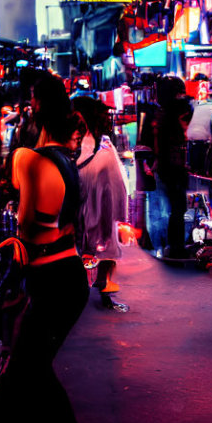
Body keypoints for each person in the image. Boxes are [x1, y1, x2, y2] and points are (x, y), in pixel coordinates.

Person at [0, 75, 87, 423]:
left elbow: (26, 223)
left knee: (26, 372)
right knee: (30, 370)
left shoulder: (28, 159)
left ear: (36, 110)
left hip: (51, 280)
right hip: (67, 275)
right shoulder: (67, 162)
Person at [72, 96, 129, 309]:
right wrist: (119, 215)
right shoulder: (102, 145)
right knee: (105, 245)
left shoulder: (72, 142)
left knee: (81, 246)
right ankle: (103, 288)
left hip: (77, 205)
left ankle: (84, 288)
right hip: (98, 205)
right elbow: (116, 186)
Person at [154, 95, 194, 259]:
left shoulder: (165, 126)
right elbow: (174, 155)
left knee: (175, 211)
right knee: (177, 211)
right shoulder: (172, 131)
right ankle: (176, 246)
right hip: (174, 174)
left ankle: (174, 245)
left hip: (169, 173)